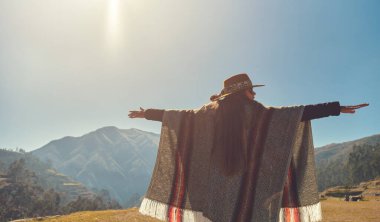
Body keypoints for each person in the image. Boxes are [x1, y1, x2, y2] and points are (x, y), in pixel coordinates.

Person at [129, 73, 368, 222]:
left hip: (215, 194)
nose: (254, 94)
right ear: (243, 92)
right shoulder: (260, 115)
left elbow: (179, 117)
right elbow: (298, 114)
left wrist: (147, 113)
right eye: (251, 89)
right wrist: (335, 108)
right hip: (249, 196)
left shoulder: (207, 114)